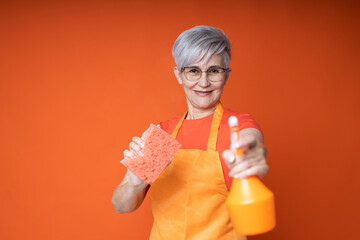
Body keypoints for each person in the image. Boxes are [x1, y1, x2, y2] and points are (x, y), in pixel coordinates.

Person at [112, 25, 269, 240]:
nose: (203, 82)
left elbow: (250, 144)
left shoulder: (237, 126)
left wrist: (252, 154)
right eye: (193, 70)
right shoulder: (162, 135)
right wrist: (133, 184)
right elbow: (122, 206)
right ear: (179, 74)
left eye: (214, 71)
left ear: (227, 75)